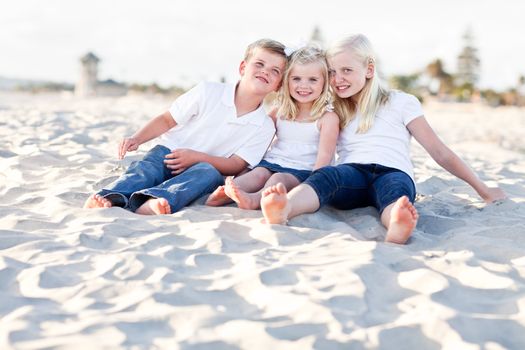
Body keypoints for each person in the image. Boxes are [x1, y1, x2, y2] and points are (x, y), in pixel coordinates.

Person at [260, 34, 506, 244]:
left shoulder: (401, 102)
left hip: (393, 171)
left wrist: (483, 190)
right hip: (352, 174)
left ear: (369, 69)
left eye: (347, 70)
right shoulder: (333, 109)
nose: (338, 79)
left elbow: (439, 152)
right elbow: (293, 115)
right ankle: (284, 208)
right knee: (327, 177)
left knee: (396, 194)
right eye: (332, 72)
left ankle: (396, 224)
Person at [84, 38, 287, 215]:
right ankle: (109, 197)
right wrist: (137, 138)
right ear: (243, 68)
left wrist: (197, 157)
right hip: (169, 153)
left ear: (278, 85)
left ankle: (152, 202)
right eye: (259, 64)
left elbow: (236, 164)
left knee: (207, 174)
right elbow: (167, 119)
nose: (265, 72)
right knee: (146, 171)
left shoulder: (264, 126)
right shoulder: (209, 91)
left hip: (205, 168)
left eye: (275, 71)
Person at [205, 46, 340, 210]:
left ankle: (255, 200)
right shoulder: (279, 112)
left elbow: (324, 158)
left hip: (302, 171)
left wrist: (312, 186)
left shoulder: (327, 118)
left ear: (324, 83)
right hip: (272, 162)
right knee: (258, 174)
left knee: (278, 179)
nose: (304, 85)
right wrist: (243, 172)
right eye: (296, 79)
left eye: (313, 80)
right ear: (286, 81)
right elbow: (259, 141)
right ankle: (225, 193)